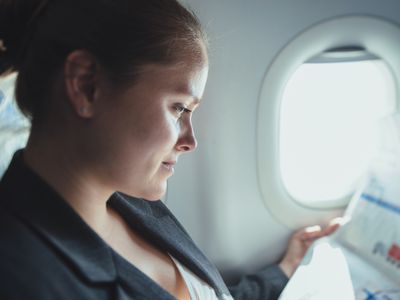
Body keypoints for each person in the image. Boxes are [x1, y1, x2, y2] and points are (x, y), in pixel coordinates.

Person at [0, 0, 339, 299]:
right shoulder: (24, 279)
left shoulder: (129, 202)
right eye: (179, 108)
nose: (190, 141)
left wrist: (284, 272)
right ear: (86, 86)